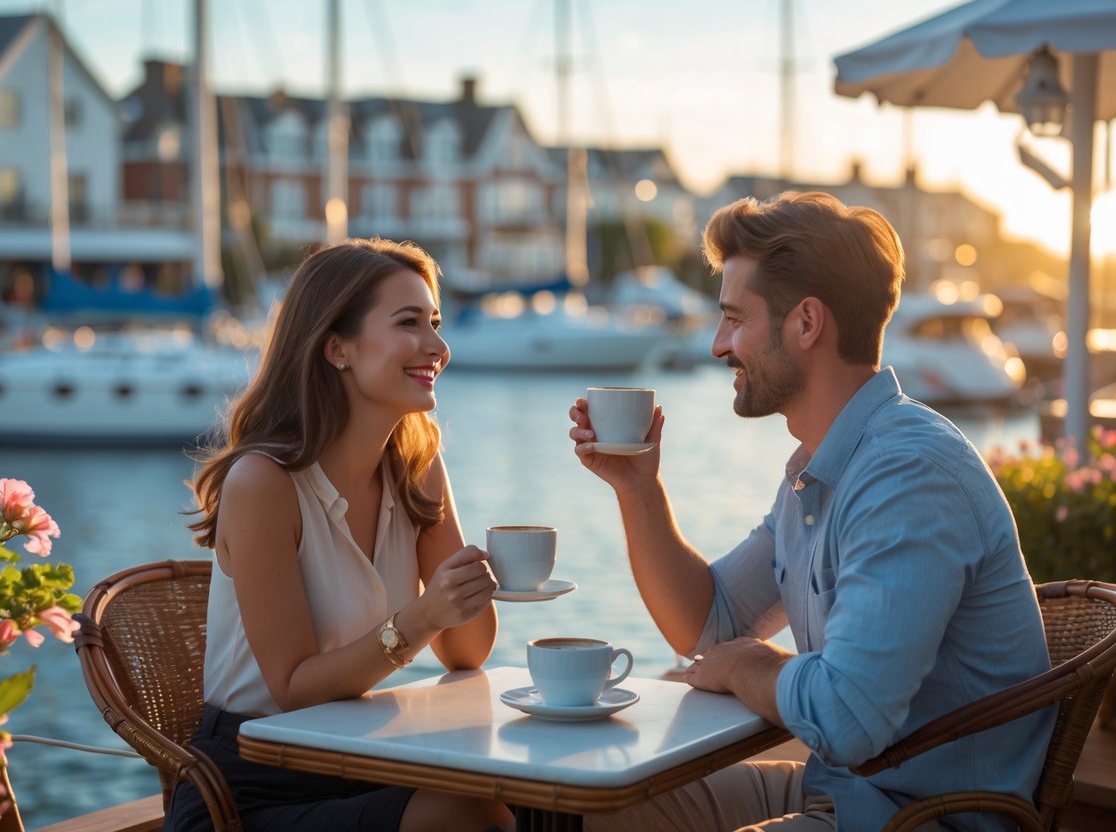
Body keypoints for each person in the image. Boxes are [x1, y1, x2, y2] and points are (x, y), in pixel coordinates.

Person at [568, 192, 1054, 832]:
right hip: (847, 794)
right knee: (591, 807)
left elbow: (848, 717)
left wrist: (750, 664)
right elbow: (708, 624)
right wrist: (637, 489)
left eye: (735, 319)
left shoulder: (907, 475)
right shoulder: (822, 472)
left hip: (924, 818)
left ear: (806, 324)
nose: (718, 346)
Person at [169, 238, 512, 832]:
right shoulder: (263, 483)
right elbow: (294, 688)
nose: (439, 347)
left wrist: (461, 590)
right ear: (336, 348)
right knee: (466, 814)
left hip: (370, 754)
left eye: (435, 323)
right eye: (410, 323)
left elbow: (468, 650)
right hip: (251, 785)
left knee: (529, 800)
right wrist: (421, 618)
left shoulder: (417, 467)